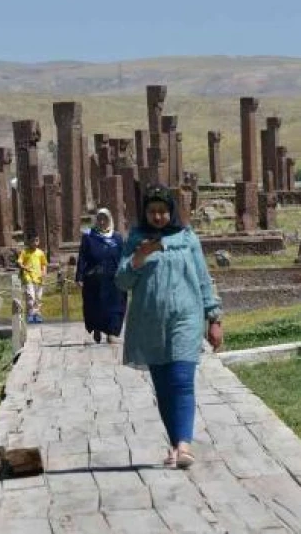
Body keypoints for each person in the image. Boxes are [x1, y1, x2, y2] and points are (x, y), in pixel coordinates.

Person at [115, 185, 223, 469]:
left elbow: (202, 278)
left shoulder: (187, 239)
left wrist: (214, 318)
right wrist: (139, 258)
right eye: (152, 212)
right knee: (163, 386)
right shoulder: (136, 239)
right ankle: (176, 444)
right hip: (150, 320)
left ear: (171, 211)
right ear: (145, 213)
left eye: (162, 211)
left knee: (181, 380)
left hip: (186, 317)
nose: (158, 216)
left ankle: (185, 444)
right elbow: (122, 282)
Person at [76, 208, 127, 343]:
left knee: (115, 305)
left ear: (110, 220)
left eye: (105, 219)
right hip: (95, 279)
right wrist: (80, 277)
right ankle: (97, 328)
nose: (102, 222)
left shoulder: (117, 237)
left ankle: (112, 332)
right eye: (100, 219)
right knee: (96, 305)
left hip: (114, 279)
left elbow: (123, 257)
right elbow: (82, 257)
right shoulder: (89, 236)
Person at [17, 234, 48, 324]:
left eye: (37, 240)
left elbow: (44, 264)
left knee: (38, 297)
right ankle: (30, 314)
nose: (35, 243)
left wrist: (44, 272)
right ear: (29, 242)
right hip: (28, 277)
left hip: (39, 278)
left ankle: (37, 314)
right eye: (33, 241)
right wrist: (23, 267)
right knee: (31, 296)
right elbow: (19, 262)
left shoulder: (40, 253)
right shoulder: (24, 252)